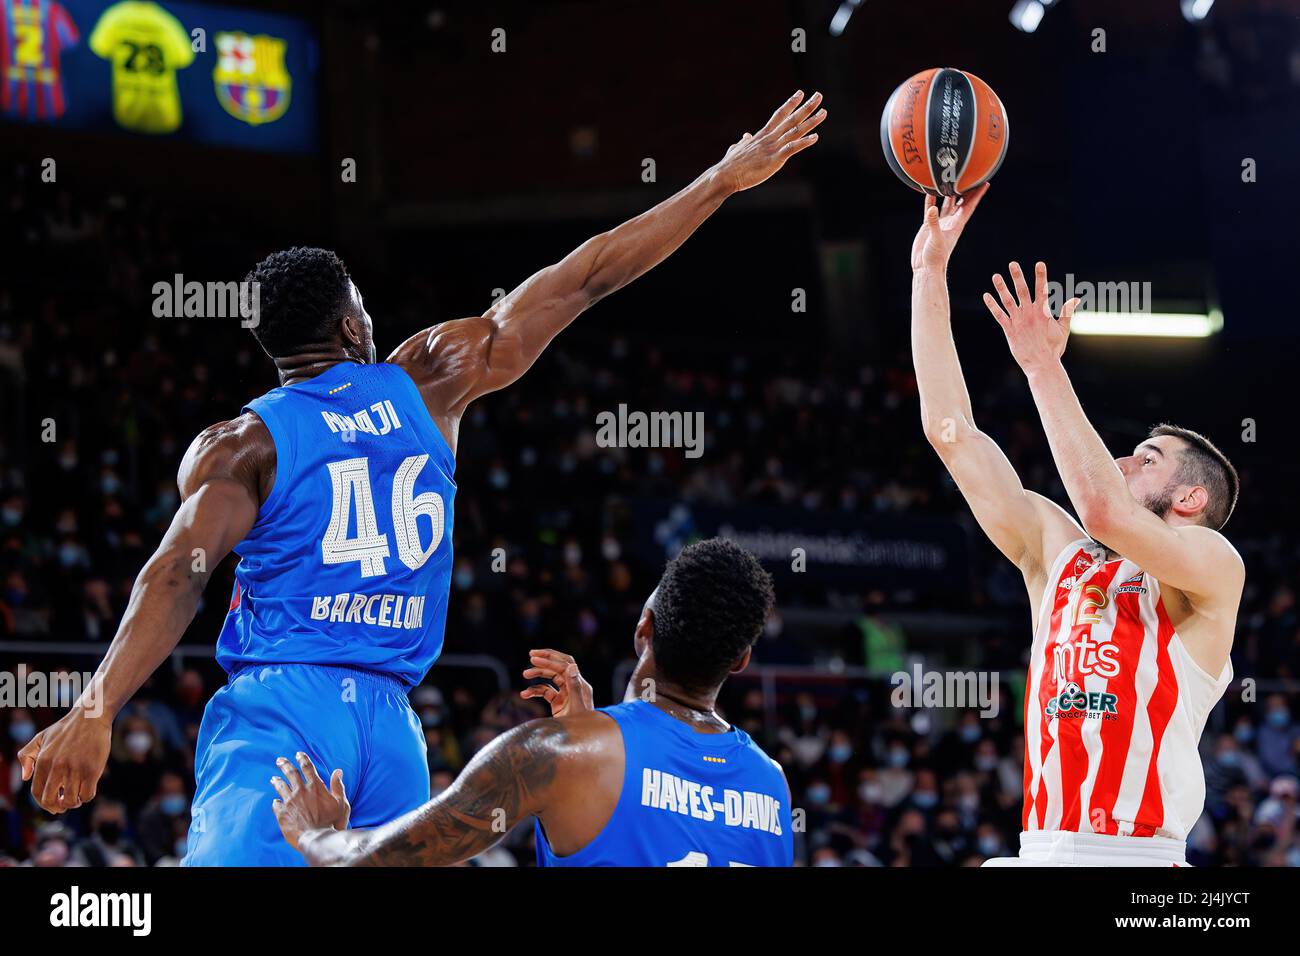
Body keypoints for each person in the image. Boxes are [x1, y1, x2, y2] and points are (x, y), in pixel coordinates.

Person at [17, 92, 827, 865]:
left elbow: (176, 574)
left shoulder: (241, 445)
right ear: (351, 325)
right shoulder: (431, 379)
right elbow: (586, 278)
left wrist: (95, 708)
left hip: (287, 712)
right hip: (395, 731)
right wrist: (720, 179)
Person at [910, 187, 1244, 866]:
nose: (1123, 460)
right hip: (1038, 848)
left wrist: (1042, 366)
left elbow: (1103, 509)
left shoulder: (1213, 565)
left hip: (1134, 860)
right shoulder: (1058, 551)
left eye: (1145, 459)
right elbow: (953, 435)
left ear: (1187, 499)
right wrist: (929, 274)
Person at [271, 539, 794, 867]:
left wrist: (314, 834)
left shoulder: (555, 756)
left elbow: (379, 860)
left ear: (644, 627)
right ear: (742, 660)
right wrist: (589, 733)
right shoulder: (771, 786)